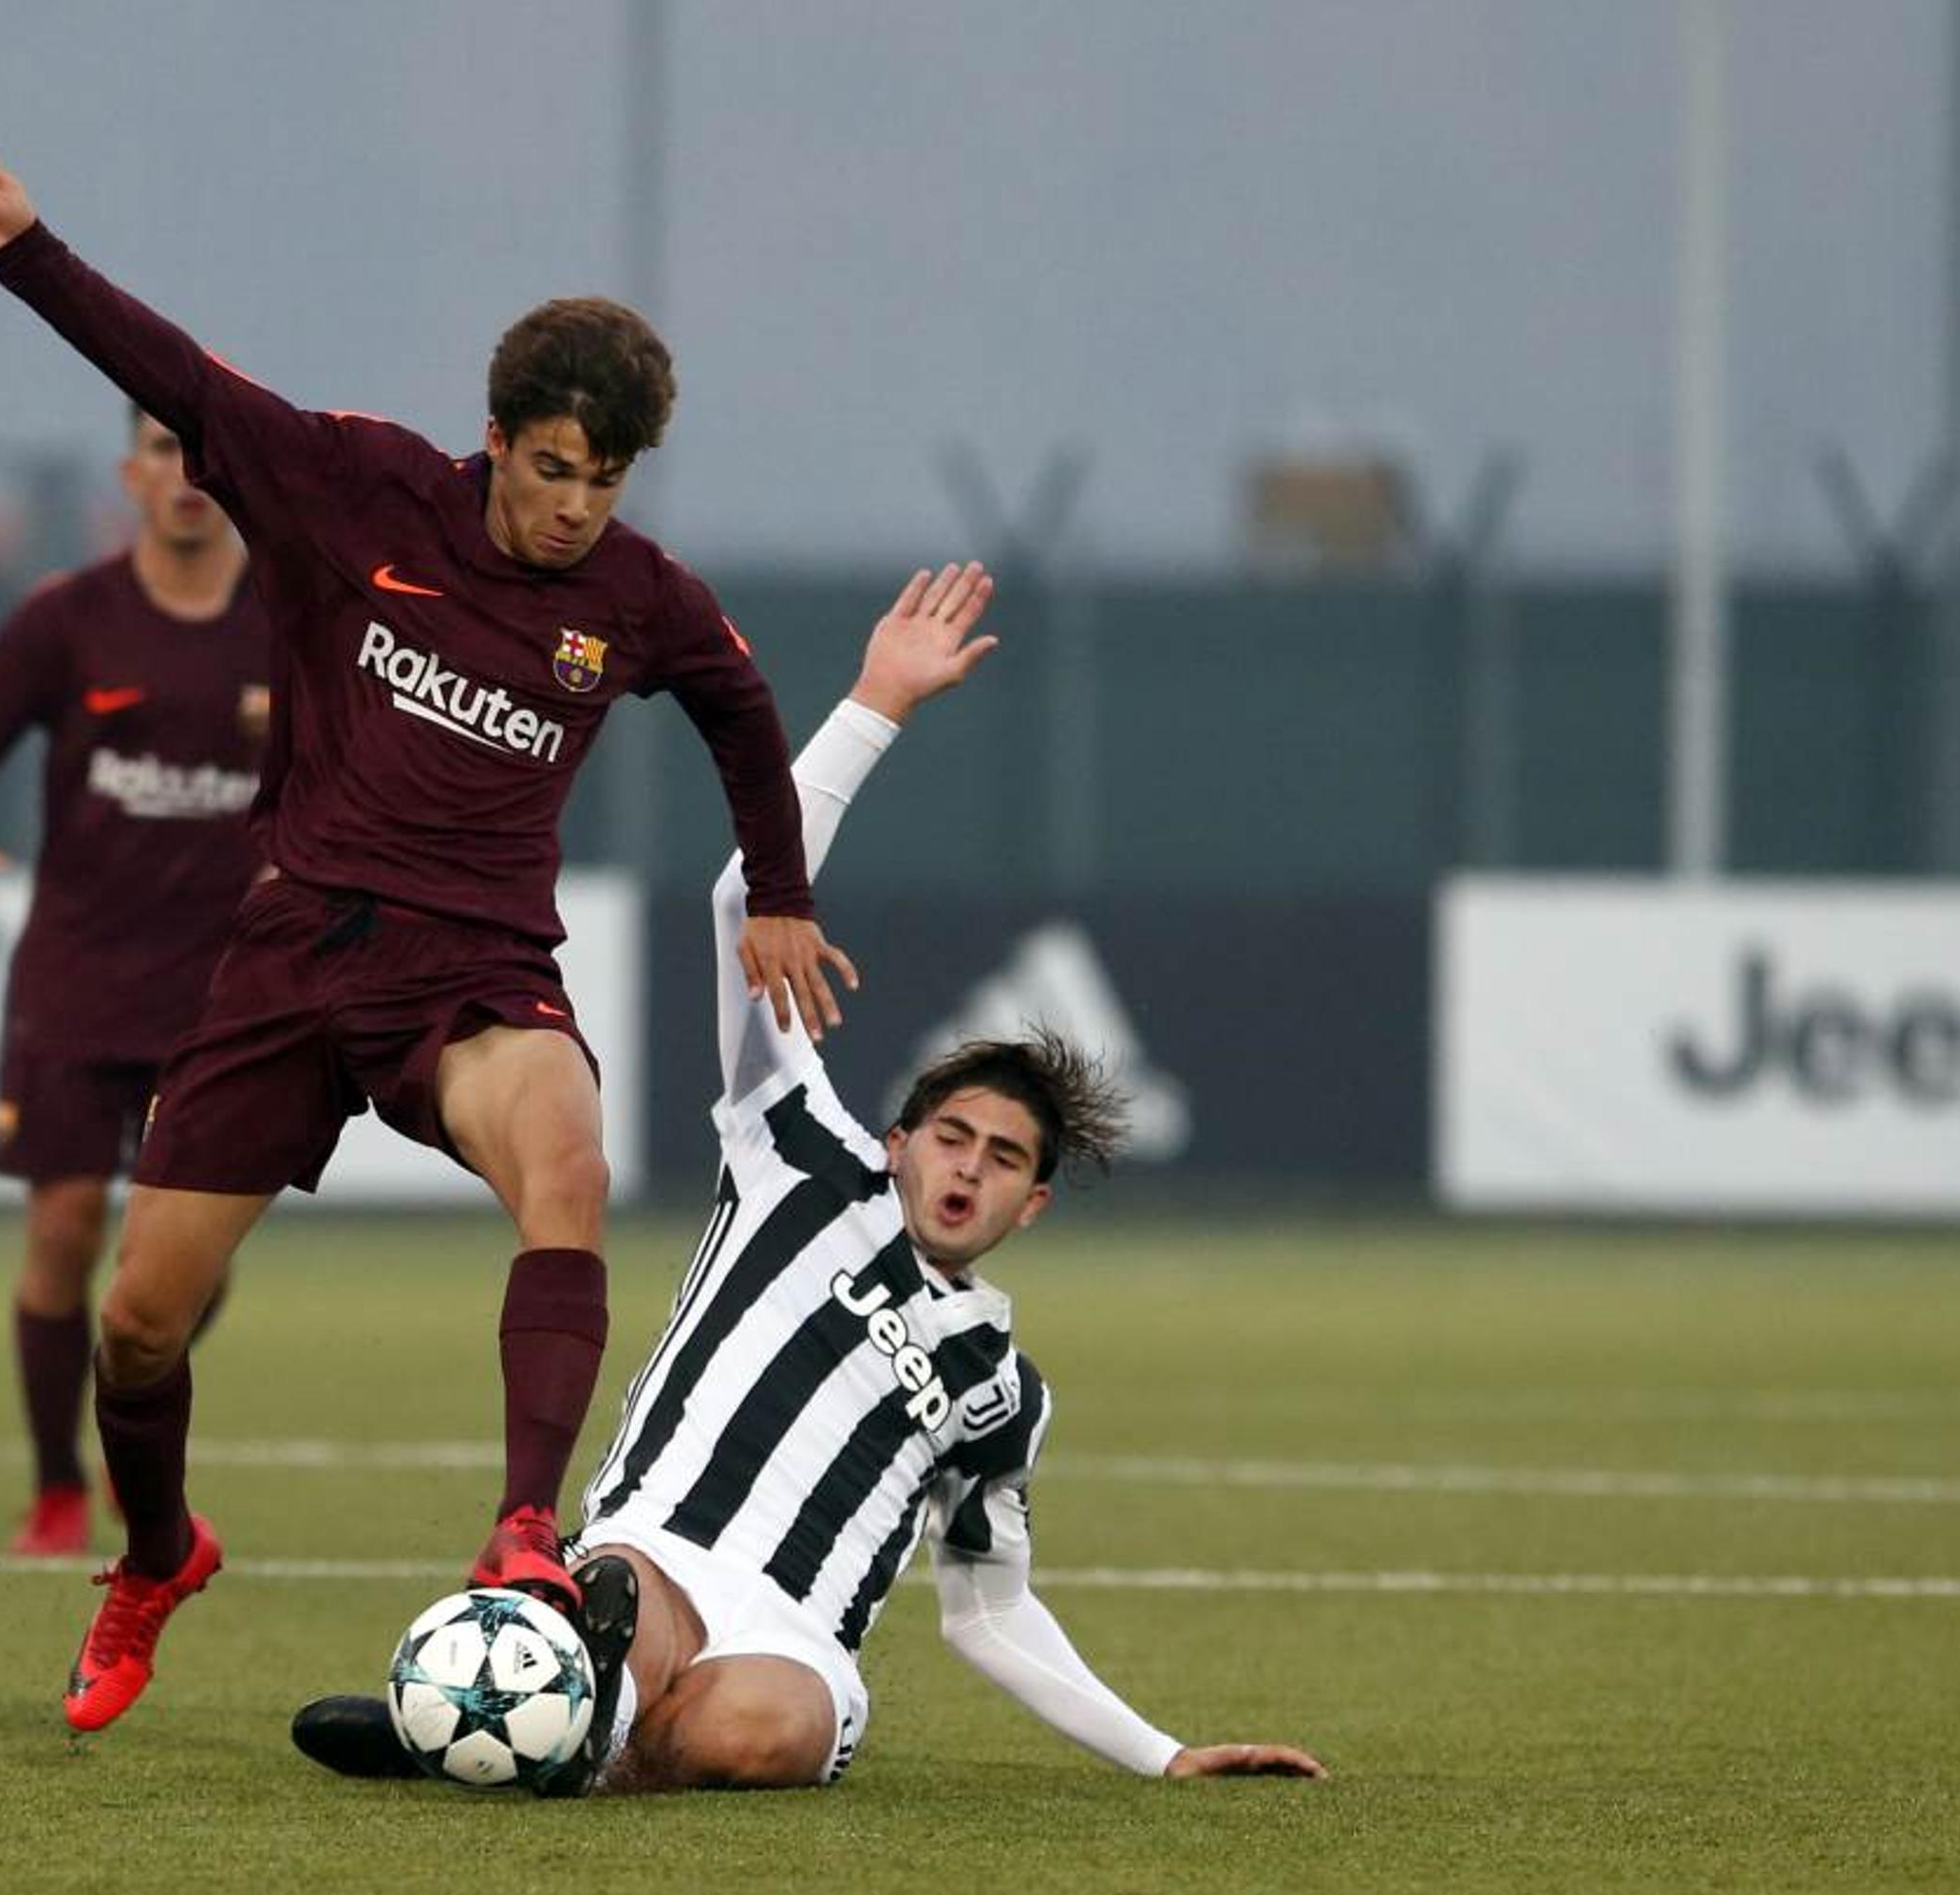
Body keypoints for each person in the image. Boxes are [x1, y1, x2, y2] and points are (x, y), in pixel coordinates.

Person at [0, 119, 857, 1735]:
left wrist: (779, 890)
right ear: (495, 441)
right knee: (140, 1325)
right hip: (292, 955)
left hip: (472, 972)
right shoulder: (355, 488)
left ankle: (528, 1533)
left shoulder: (637, 597)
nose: (572, 509)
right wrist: (23, 252)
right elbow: (190, 384)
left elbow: (742, 711)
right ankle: (155, 1553)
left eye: (603, 482)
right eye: (552, 471)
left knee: (571, 1165)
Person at [293, 564, 1327, 1793]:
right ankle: (544, 1705)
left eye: (1003, 1161)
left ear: (1029, 1206)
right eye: (952, 1137)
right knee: (616, 1595)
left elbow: (988, 1614)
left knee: (753, 1729)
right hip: (654, 1558)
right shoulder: (793, 1147)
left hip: (798, 1642)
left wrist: (1162, 1755)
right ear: (898, 1138)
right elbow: (747, 896)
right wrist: (878, 701)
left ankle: (526, 1732)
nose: (968, 1170)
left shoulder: (998, 1385)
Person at [0, 408, 271, 1555]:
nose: (185, 475)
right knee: (64, 1227)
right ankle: (58, 1484)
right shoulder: (67, 619)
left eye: (203, 453)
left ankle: (132, 1411)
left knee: (178, 1261)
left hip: (223, 994)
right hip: (77, 978)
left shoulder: (289, 623)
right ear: (131, 474)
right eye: (164, 452)